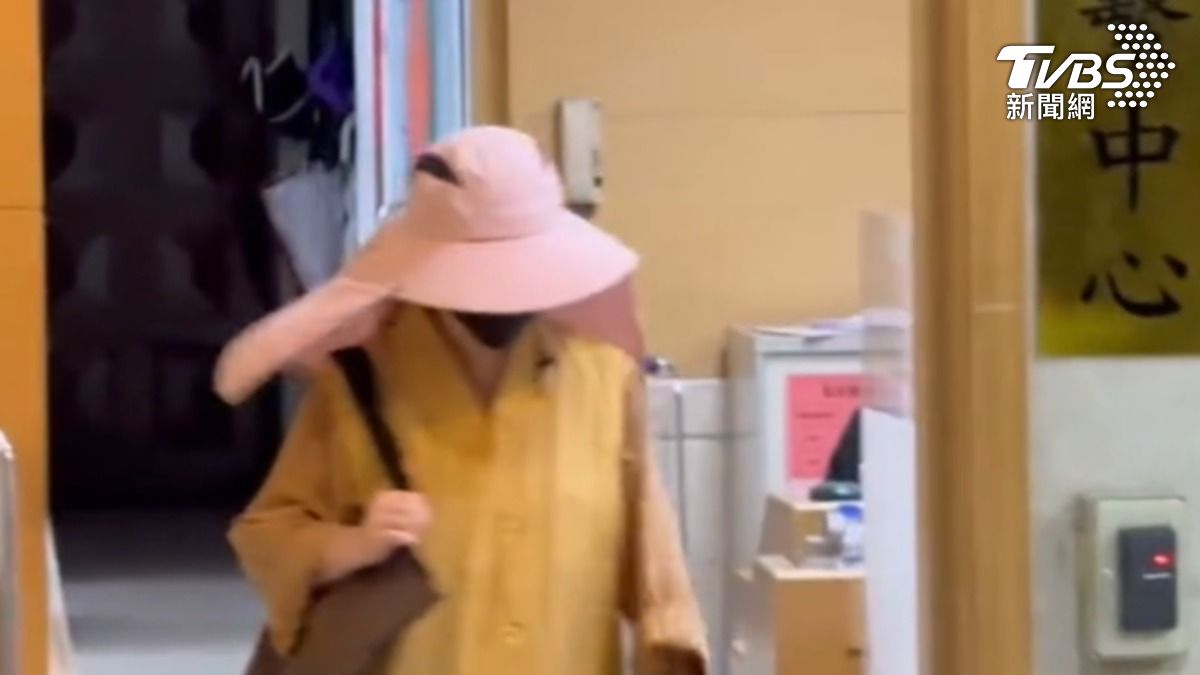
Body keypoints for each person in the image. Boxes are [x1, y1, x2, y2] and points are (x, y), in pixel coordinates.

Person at [213, 126, 708, 675]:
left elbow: (657, 574)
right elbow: (270, 533)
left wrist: (672, 654)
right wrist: (355, 544)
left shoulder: (605, 381)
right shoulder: (362, 381)